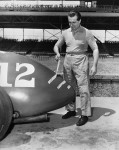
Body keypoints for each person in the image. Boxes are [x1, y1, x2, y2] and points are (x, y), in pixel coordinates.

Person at [53, 10, 99, 126]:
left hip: (81, 60)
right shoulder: (65, 33)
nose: (71, 25)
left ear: (79, 21)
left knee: (83, 88)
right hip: (67, 60)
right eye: (69, 22)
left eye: (74, 22)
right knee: (69, 88)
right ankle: (71, 110)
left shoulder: (87, 33)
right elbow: (56, 45)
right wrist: (57, 53)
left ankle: (84, 114)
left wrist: (94, 65)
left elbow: (95, 49)